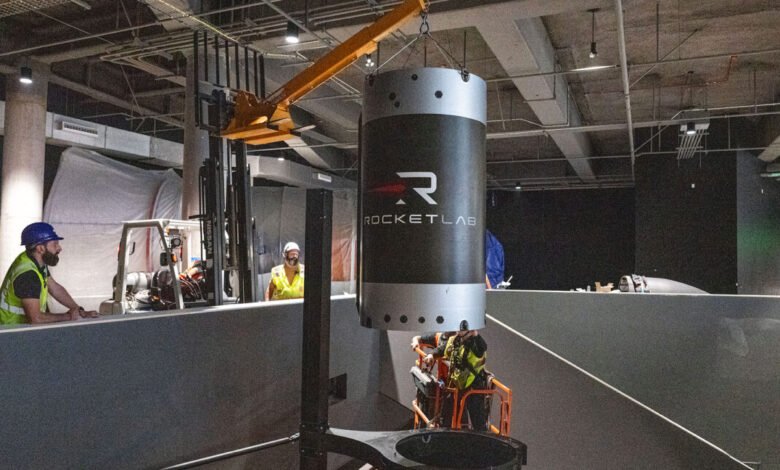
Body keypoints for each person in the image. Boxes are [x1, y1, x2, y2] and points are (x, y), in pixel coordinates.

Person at [0, 222, 98, 325]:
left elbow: (55, 288)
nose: (59, 248)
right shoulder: (28, 275)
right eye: (55, 244)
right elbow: (36, 319)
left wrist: (77, 310)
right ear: (40, 248)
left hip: (17, 331)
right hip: (9, 332)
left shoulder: (35, 260)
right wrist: (69, 316)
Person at [424, 320, 489, 431]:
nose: (459, 331)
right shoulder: (455, 340)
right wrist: (431, 355)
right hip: (456, 384)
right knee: (446, 413)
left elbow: (482, 348)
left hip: (473, 386)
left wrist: (475, 334)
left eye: (462, 329)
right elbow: (442, 349)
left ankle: (481, 442)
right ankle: (444, 435)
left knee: (477, 420)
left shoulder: (475, 343)